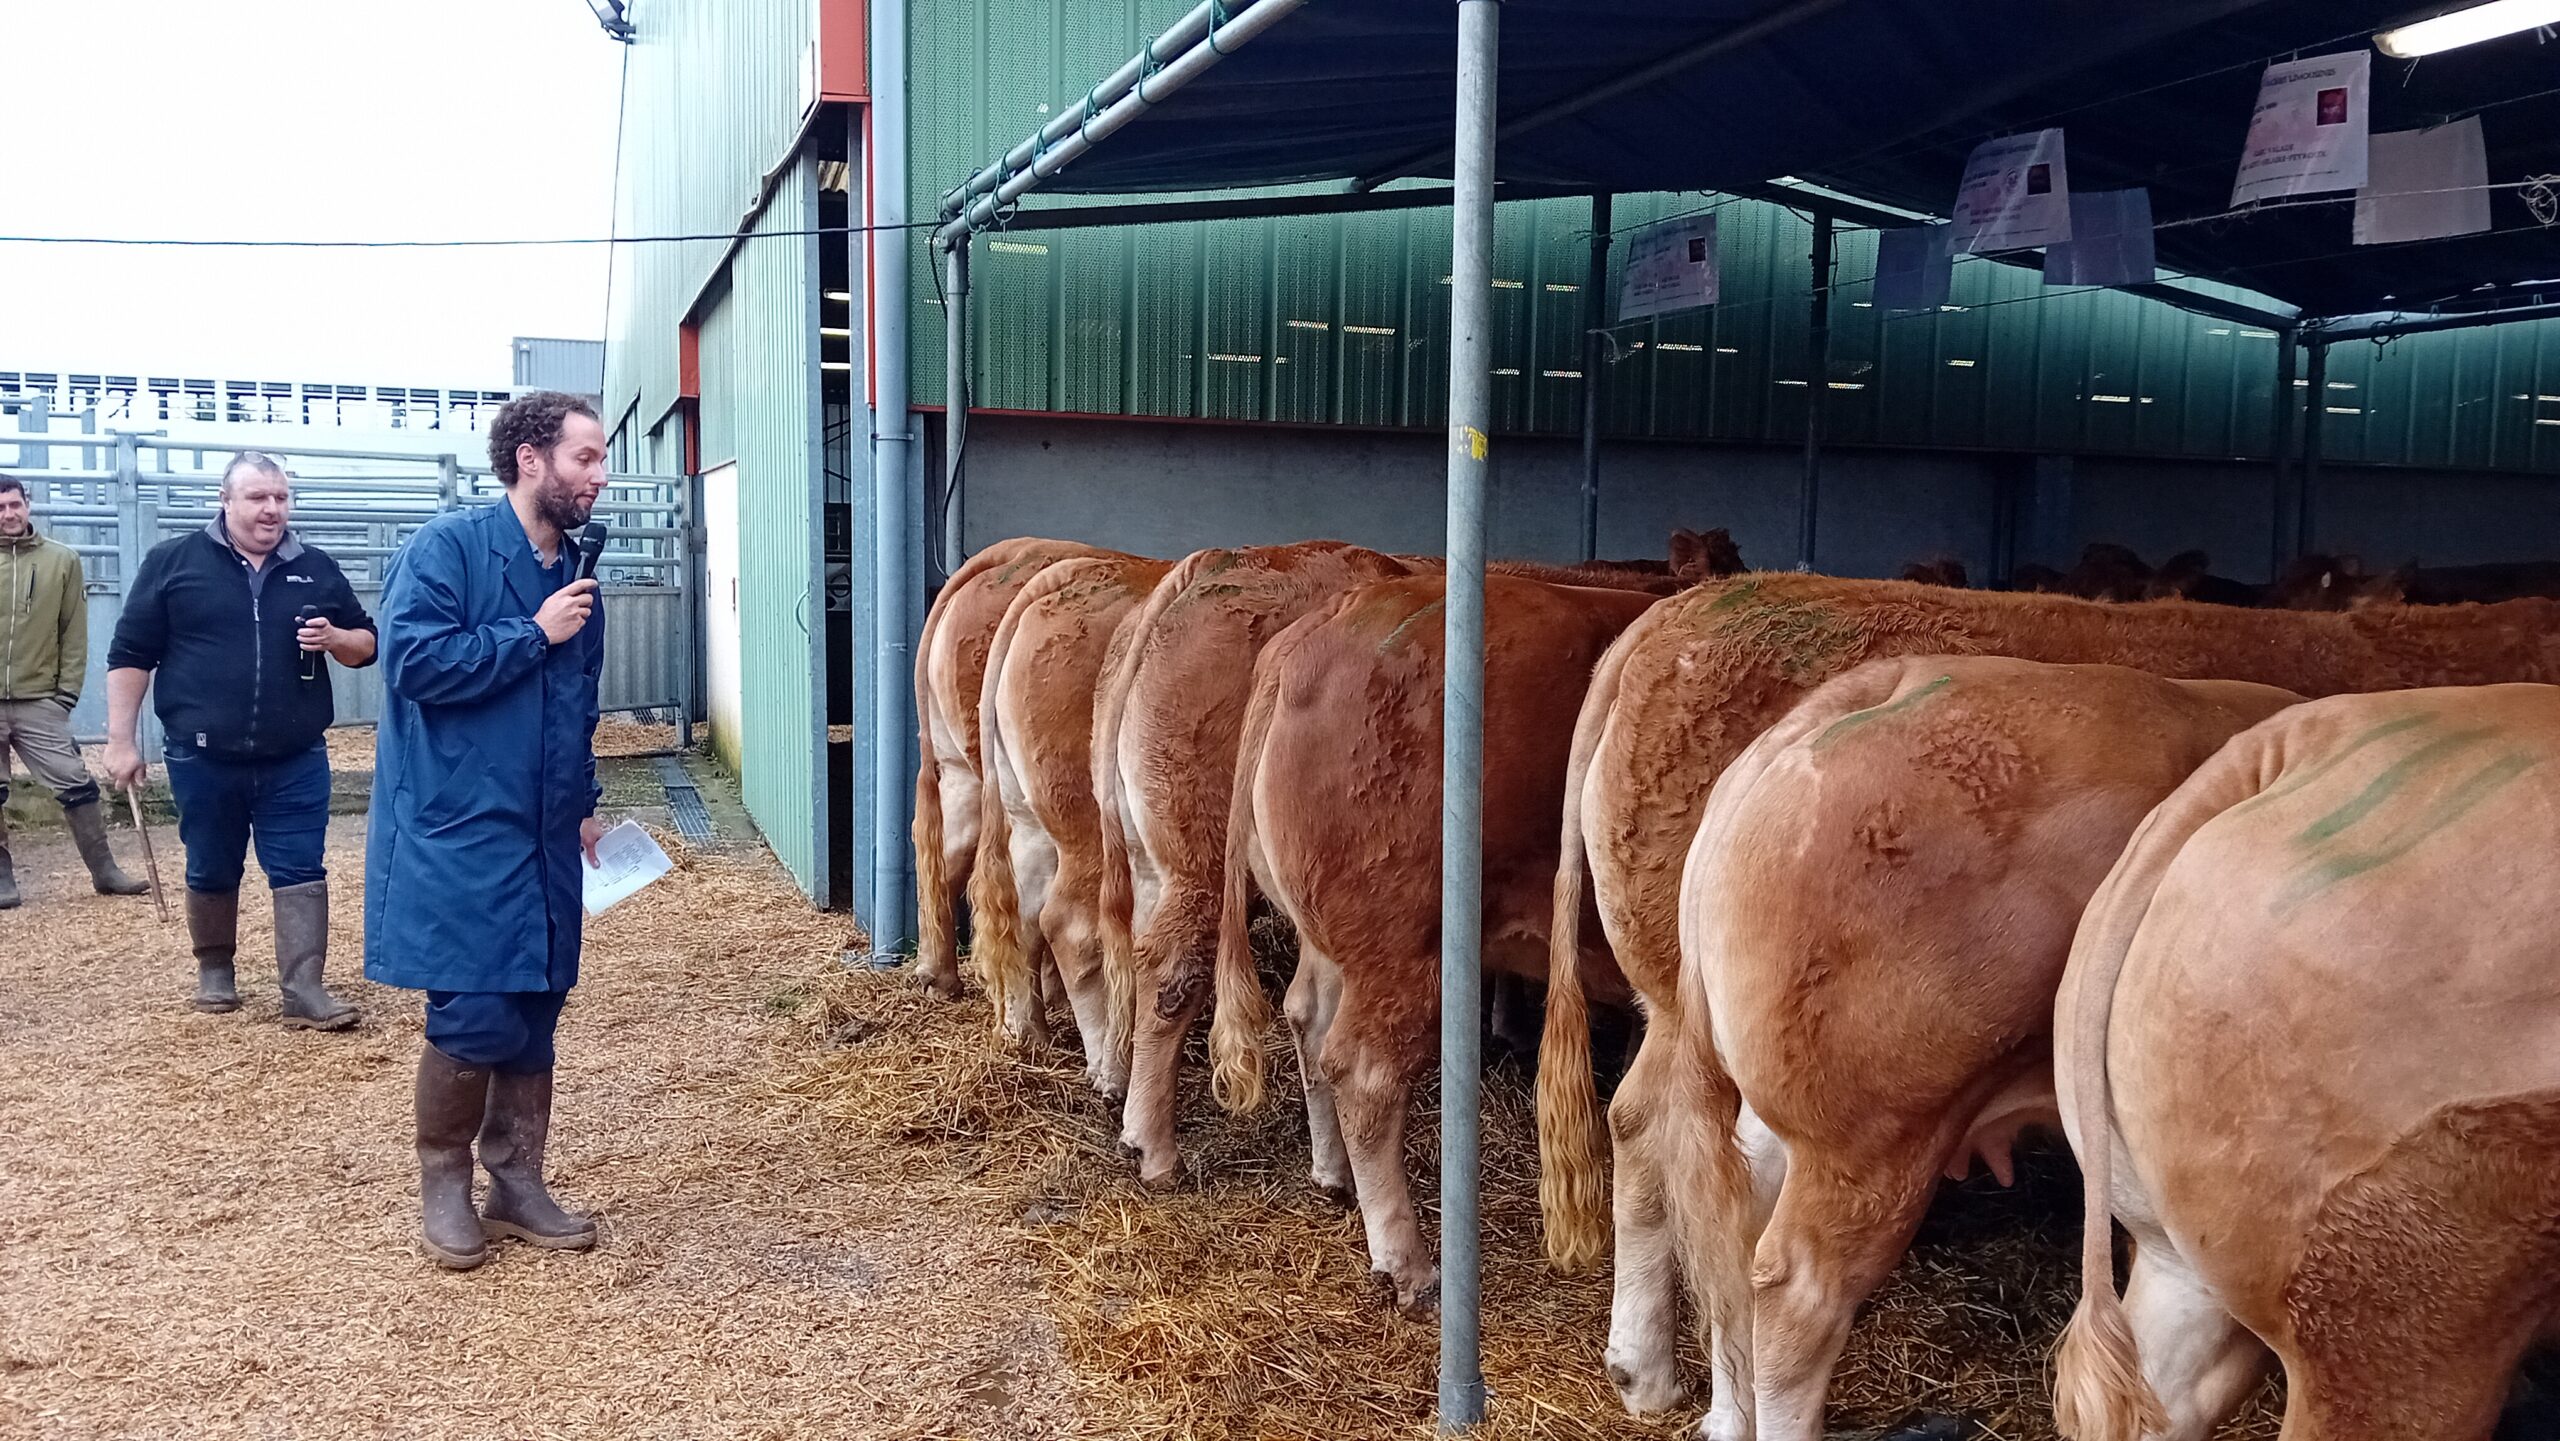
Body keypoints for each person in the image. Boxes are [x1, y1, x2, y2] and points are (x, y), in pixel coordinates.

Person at [365, 391, 610, 1271]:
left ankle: (516, 1179)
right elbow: (416, 663)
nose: (600, 473)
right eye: (585, 456)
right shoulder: (448, 549)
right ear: (531, 459)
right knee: (472, 1009)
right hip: (459, 825)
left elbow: (577, 704)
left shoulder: (575, 575)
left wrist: (582, 798)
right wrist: (529, 633)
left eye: (603, 456)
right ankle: (444, 1183)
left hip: (543, 831)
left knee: (535, 1004)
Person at [102, 453, 377, 1026]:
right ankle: (215, 971)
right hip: (202, 755)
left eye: (280, 497)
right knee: (211, 863)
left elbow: (367, 646)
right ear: (225, 500)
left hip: (295, 755)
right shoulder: (173, 563)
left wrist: (336, 637)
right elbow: (130, 654)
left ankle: (303, 989)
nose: (272, 509)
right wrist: (121, 741)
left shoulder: (315, 567)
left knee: (302, 868)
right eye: (258, 497)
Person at [0, 473, 149, 908]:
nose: (8, 514)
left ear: (28, 504)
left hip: (39, 699)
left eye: (15, 504)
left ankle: (105, 871)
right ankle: (3, 878)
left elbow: (73, 633)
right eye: (0, 507)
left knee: (77, 784)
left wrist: (64, 694)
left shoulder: (61, 560)